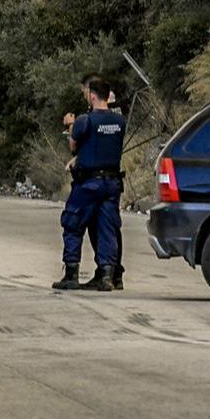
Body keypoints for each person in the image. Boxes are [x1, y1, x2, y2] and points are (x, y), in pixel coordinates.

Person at [52, 76, 125, 292]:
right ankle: (106, 276)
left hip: (88, 184)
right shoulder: (120, 122)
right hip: (112, 183)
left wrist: (70, 124)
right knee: (106, 229)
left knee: (73, 224)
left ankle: (71, 273)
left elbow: (75, 146)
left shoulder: (85, 120)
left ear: (93, 95)